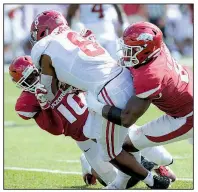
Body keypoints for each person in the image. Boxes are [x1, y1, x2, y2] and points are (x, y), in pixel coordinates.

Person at [29, 10, 171, 189]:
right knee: (92, 130)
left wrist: (51, 91)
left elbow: (49, 91)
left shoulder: (45, 48)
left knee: (110, 152)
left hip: (109, 91)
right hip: (123, 77)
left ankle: (153, 181)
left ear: (43, 31)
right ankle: (130, 175)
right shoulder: (76, 34)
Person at [9, 55, 175, 189]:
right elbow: (55, 128)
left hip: (101, 120)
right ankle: (90, 166)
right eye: (28, 81)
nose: (34, 81)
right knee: (118, 181)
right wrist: (45, 104)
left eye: (34, 75)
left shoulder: (57, 72)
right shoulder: (28, 102)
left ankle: (155, 165)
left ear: (39, 70)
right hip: (84, 139)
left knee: (163, 157)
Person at [85, 22, 193, 188]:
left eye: (132, 49)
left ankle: (120, 184)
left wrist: (96, 106)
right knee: (130, 142)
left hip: (187, 117)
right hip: (187, 96)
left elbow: (126, 118)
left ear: (147, 49)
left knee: (128, 144)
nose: (126, 53)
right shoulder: (157, 49)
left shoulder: (150, 75)